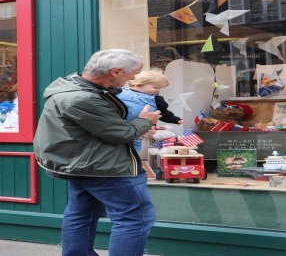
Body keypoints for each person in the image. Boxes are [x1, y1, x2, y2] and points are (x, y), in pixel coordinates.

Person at [33, 49, 161, 256]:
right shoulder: (83, 98)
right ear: (116, 71)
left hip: (83, 163)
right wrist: (146, 121)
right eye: (132, 73)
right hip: (104, 167)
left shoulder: (77, 88)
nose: (134, 78)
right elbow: (121, 133)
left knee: (81, 213)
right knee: (136, 217)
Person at [117, 70, 182, 151]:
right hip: (120, 127)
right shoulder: (119, 91)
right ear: (139, 85)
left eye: (160, 88)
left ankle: (132, 161)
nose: (158, 90)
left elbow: (164, 113)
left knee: (134, 149)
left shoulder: (156, 99)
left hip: (138, 130)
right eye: (156, 87)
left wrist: (176, 119)